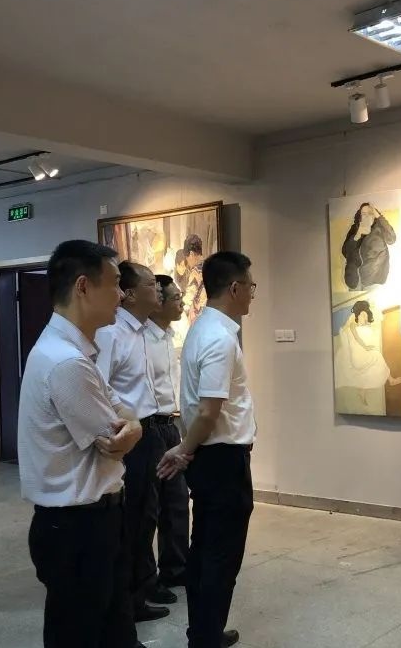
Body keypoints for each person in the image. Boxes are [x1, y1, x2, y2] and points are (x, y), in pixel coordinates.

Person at [18, 240, 145, 648]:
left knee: (112, 627)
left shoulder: (74, 352)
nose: (121, 295)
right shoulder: (66, 362)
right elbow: (114, 438)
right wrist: (132, 429)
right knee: (81, 632)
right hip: (77, 527)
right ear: (83, 287)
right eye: (115, 283)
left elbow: (127, 415)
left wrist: (134, 427)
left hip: (91, 520)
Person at [158, 251, 257, 648]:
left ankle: (203, 631)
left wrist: (187, 449)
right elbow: (208, 410)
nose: (252, 293)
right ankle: (205, 637)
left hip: (212, 456)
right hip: (222, 459)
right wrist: (184, 449)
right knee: (221, 555)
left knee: (204, 549)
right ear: (234, 288)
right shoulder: (218, 338)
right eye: (250, 286)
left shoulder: (205, 328)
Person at [94, 261, 172, 622]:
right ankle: (127, 602)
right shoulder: (112, 333)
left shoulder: (139, 331)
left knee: (147, 516)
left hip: (149, 431)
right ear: (128, 293)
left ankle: (140, 592)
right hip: (131, 437)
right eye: (151, 284)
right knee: (132, 521)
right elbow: (100, 388)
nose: (158, 290)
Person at [147, 274, 190, 588]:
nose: (181, 303)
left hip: (169, 426)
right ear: (157, 302)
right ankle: (145, 581)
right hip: (148, 426)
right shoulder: (140, 339)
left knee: (176, 502)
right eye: (175, 297)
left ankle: (176, 569)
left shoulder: (168, 336)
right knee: (148, 507)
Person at [333, 300, 401, 413]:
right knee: (377, 355)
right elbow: (357, 337)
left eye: (365, 315)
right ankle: (391, 380)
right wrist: (366, 346)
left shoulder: (356, 325)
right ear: (357, 314)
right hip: (357, 358)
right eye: (363, 315)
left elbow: (363, 327)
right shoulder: (352, 324)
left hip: (358, 357)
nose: (365, 317)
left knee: (370, 369)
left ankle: (362, 391)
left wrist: (366, 323)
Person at [341, 203, 396, 291]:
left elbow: (392, 239)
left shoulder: (380, 229)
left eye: (370, 213)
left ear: (374, 216)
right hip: (353, 281)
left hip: (374, 282)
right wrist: (357, 234)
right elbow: (345, 251)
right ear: (360, 216)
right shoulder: (355, 229)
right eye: (364, 214)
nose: (367, 216)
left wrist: (380, 217)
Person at [183, 234, 207, 324]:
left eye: (187, 258)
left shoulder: (196, 272)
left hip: (200, 316)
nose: (188, 263)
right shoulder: (210, 266)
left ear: (191, 254)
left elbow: (190, 295)